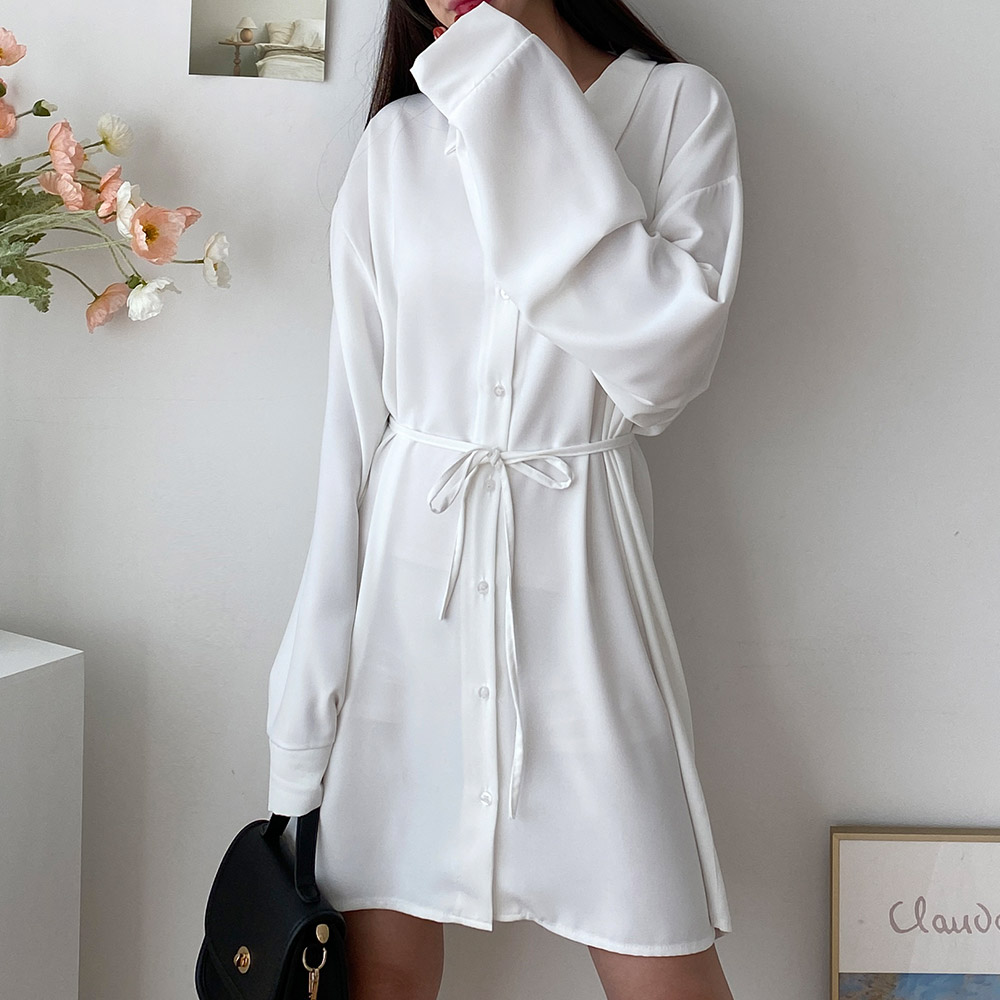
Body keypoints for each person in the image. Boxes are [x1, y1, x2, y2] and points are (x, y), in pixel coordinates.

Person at [265, 0, 743, 997]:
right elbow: (350, 432)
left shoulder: (677, 109)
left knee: (659, 951)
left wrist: (511, 86)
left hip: (584, 597)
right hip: (408, 606)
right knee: (381, 973)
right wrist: (306, 710)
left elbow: (662, 368)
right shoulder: (398, 143)